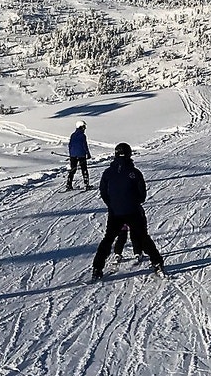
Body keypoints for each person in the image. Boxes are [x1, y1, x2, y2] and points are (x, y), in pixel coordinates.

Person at [91, 143, 165, 279]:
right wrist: (133, 202)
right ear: (129, 155)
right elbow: (142, 194)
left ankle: (97, 268)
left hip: (115, 212)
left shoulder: (108, 173)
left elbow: (103, 192)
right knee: (143, 237)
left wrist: (112, 204)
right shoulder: (135, 173)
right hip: (132, 211)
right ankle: (157, 263)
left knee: (108, 239)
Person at [66, 119, 91, 190]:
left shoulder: (73, 135)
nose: (85, 128)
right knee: (84, 169)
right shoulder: (83, 136)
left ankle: (69, 184)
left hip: (73, 155)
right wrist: (88, 154)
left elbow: (70, 145)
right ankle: (86, 184)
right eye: (84, 127)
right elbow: (84, 145)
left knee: (73, 169)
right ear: (81, 127)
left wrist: (71, 154)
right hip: (81, 155)